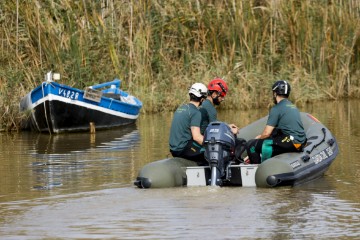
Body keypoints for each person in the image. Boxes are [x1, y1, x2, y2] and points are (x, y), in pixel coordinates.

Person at [245, 80, 306, 164]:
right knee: (270, 139)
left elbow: (266, 133)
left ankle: (258, 169)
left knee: (251, 145)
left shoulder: (276, 108)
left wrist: (257, 140)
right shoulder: (292, 106)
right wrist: (260, 137)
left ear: (275, 94)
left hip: (292, 143)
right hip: (300, 142)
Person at [169, 82, 208, 164]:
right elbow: (197, 137)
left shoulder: (181, 108)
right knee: (211, 154)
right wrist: (211, 144)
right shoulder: (195, 112)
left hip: (173, 149)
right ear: (202, 99)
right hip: (183, 149)